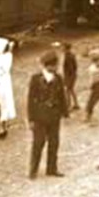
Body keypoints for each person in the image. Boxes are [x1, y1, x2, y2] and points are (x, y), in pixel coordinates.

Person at [27, 51, 69, 179]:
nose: (57, 67)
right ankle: (33, 170)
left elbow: (62, 96)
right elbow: (30, 100)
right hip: (40, 117)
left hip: (54, 116)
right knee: (38, 143)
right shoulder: (35, 79)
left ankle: (52, 169)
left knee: (54, 142)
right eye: (55, 65)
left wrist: (64, 112)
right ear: (48, 65)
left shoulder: (58, 78)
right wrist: (31, 119)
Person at [0, 38, 16, 140]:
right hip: (6, 83)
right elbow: (10, 49)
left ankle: (0, 127)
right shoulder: (8, 56)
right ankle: (3, 126)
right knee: (5, 105)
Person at [62, 43, 79, 112]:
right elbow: (75, 66)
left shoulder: (68, 56)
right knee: (71, 90)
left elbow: (70, 68)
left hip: (70, 76)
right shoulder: (71, 55)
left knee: (67, 90)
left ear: (66, 49)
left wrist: (67, 77)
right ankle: (76, 104)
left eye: (63, 48)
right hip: (72, 75)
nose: (62, 49)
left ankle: (68, 106)